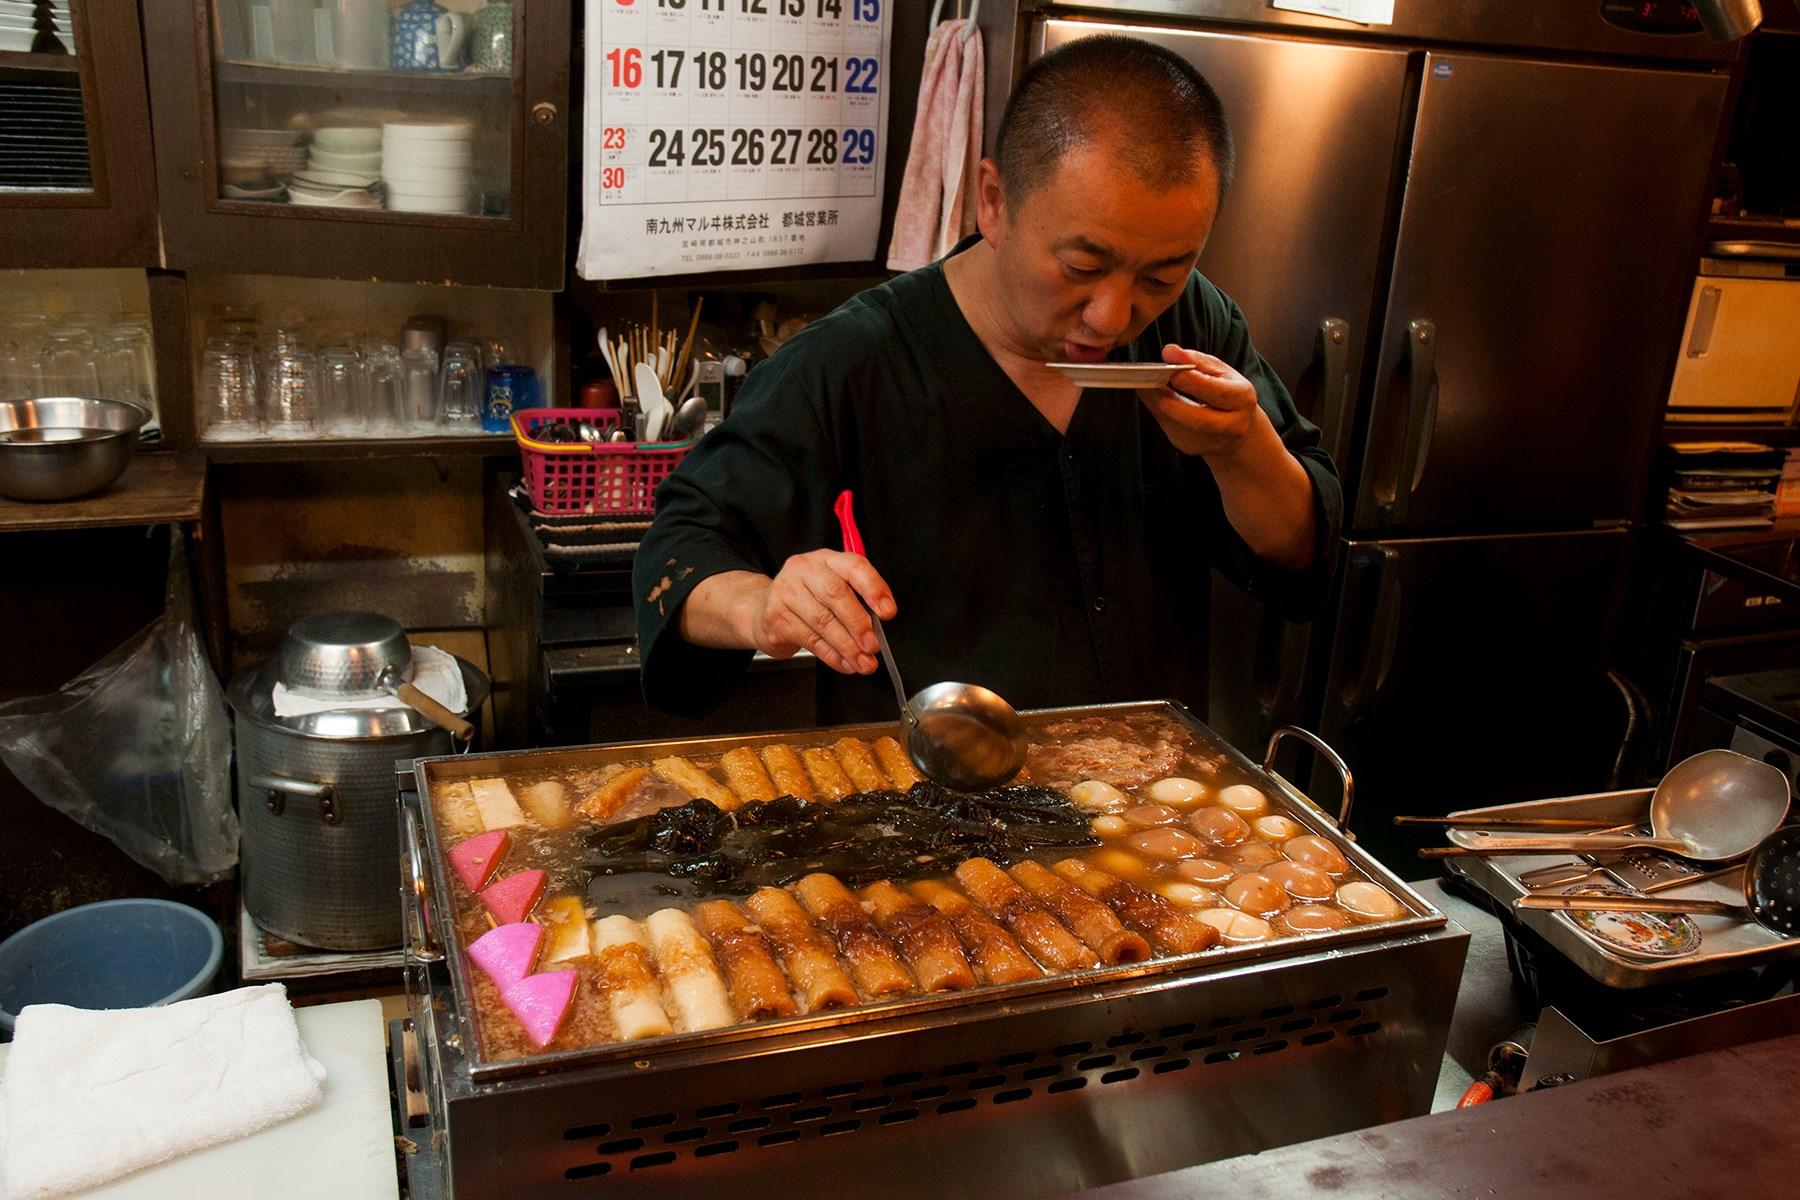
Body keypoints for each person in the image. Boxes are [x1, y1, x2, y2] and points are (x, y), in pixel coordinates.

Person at [633, 34, 1342, 725]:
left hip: (1147, 808)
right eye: (1083, 267)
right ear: (994, 201)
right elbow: (681, 548)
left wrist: (1241, 446)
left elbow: (1302, 553)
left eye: (1161, 274)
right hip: (930, 817)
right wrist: (763, 605)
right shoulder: (849, 364)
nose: (1114, 315)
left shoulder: (1194, 323)